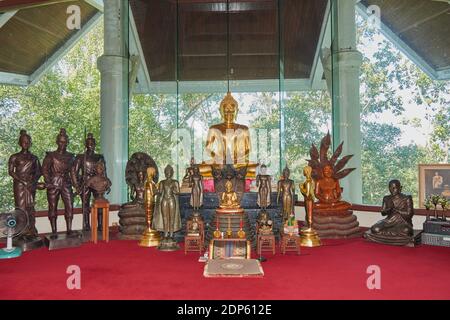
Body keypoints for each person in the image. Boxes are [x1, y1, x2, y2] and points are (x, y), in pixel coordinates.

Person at [8, 130, 42, 238]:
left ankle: (31, 229)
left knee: (30, 207)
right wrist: (23, 181)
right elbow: (11, 171)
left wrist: (33, 181)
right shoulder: (14, 157)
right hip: (19, 185)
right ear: (20, 143)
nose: (26, 144)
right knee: (20, 206)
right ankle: (20, 230)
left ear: (30, 143)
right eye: (23, 142)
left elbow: (38, 172)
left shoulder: (34, 158)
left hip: (31, 185)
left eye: (28, 142)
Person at [42, 128, 75, 237]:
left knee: (69, 205)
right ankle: (54, 231)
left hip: (66, 183)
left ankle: (69, 229)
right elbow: (45, 170)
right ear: (57, 142)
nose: (63, 144)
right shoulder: (50, 156)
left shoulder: (70, 156)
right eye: (61, 141)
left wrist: (76, 185)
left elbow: (73, 172)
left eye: (65, 142)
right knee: (52, 206)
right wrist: (48, 181)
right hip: (53, 183)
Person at [71, 133, 106, 231]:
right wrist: (76, 185)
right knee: (85, 204)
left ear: (95, 144)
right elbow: (74, 171)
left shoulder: (99, 157)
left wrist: (105, 184)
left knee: (99, 203)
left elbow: (104, 171)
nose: (90, 145)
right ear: (86, 144)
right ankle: (86, 225)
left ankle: (100, 224)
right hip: (85, 182)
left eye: (92, 143)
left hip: (97, 183)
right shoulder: (81, 157)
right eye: (89, 143)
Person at [365, 180, 414, 245]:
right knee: (375, 229)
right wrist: (389, 209)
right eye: (390, 188)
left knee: (407, 230)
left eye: (394, 188)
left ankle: (387, 235)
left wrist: (397, 210)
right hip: (389, 221)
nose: (392, 190)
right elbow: (383, 213)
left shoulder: (406, 198)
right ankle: (395, 235)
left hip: (402, 221)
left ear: (400, 188)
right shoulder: (386, 198)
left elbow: (409, 214)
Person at [153, 165, 181, 239]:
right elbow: (160, 192)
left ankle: (171, 233)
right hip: (164, 200)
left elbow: (178, 192)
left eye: (169, 172)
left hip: (171, 199)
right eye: (167, 172)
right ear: (165, 173)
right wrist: (154, 191)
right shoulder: (162, 182)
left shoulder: (175, 182)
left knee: (172, 217)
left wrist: (173, 190)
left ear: (172, 173)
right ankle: (165, 233)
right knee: (164, 217)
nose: (168, 173)